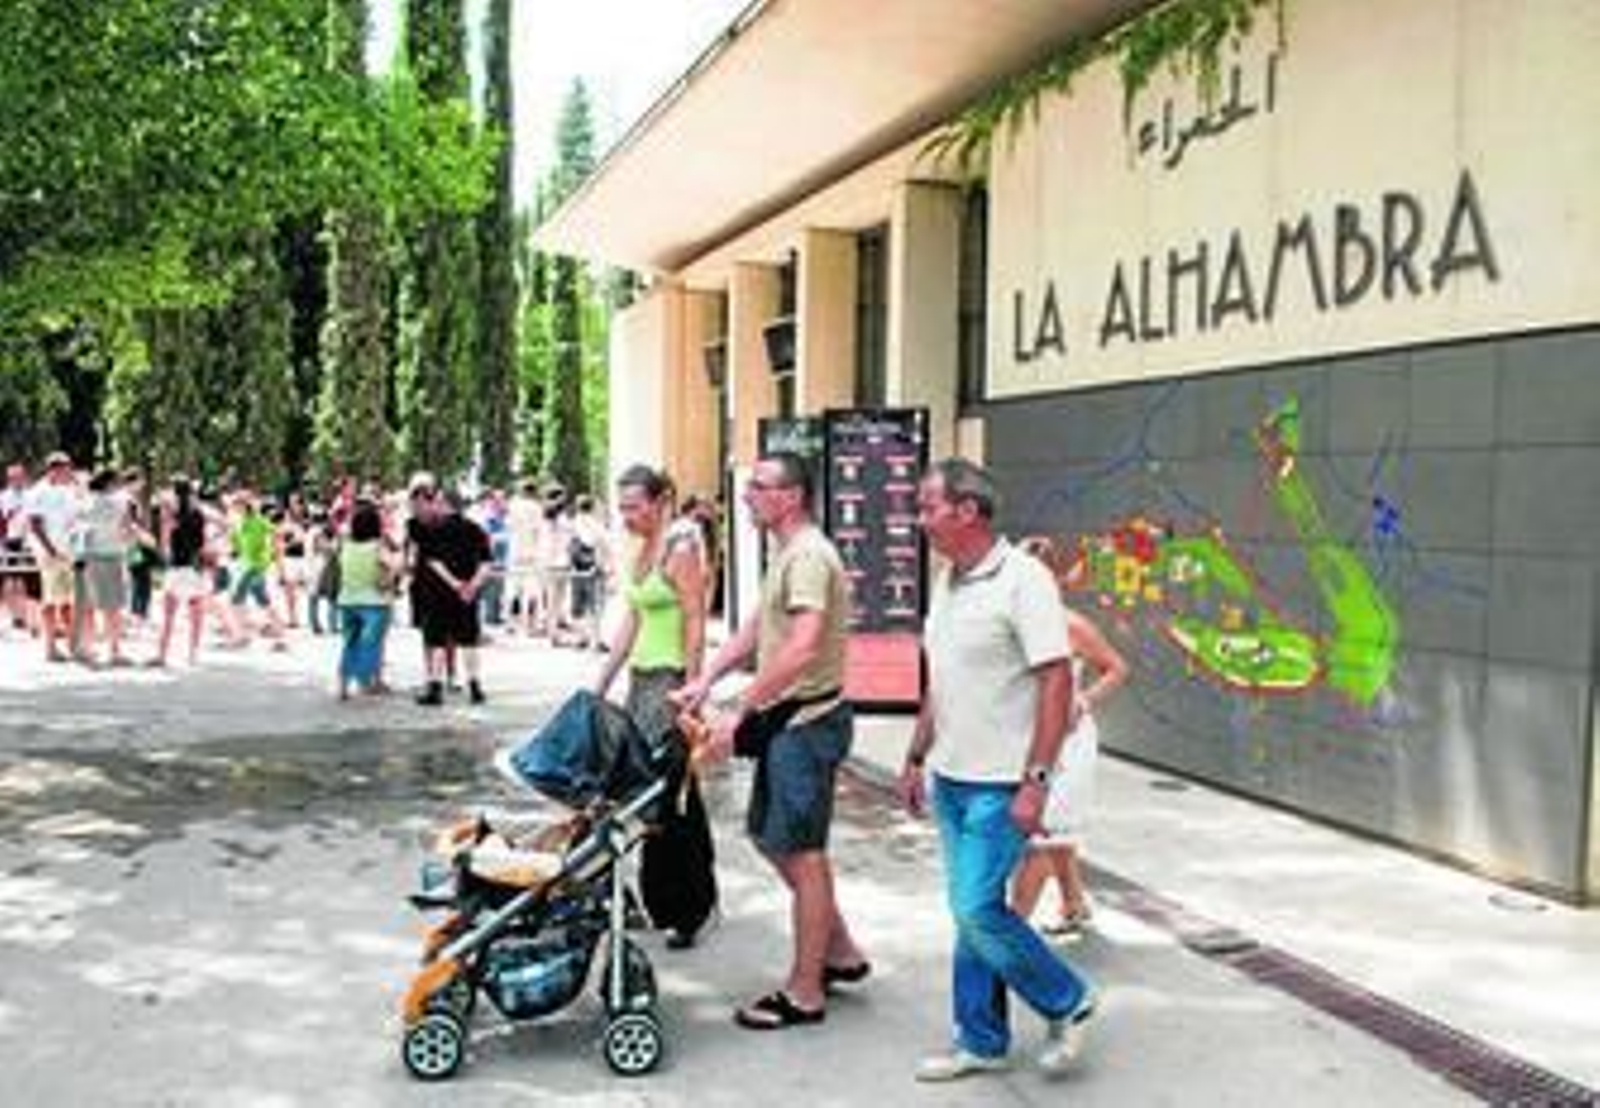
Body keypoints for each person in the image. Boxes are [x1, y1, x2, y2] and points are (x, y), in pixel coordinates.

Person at [897, 457, 1097, 1081]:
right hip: (952, 777)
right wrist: (915, 753)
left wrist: (1037, 780)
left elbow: (1057, 680)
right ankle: (981, 1040)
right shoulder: (948, 581)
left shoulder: (1024, 579)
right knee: (969, 912)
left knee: (976, 909)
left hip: (1002, 782)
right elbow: (944, 680)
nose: (919, 518)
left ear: (967, 511)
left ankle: (1070, 999)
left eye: (929, 506)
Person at [674, 451, 868, 1031]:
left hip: (808, 724)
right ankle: (840, 950)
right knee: (770, 837)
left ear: (792, 496)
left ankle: (806, 992)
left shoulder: (809, 555)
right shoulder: (788, 552)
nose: (747, 495)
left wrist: (741, 707)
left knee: (803, 855)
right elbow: (759, 627)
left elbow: (804, 646)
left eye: (758, 486)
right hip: (790, 722)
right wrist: (705, 679)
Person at [594, 464, 716, 948]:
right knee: (656, 792)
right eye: (621, 507)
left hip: (669, 683)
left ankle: (684, 908)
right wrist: (602, 679)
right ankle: (672, 898)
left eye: (634, 506)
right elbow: (634, 618)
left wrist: (692, 688)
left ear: (660, 501)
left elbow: (694, 620)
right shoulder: (642, 549)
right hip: (641, 683)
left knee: (668, 798)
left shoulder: (681, 548)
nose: (626, 516)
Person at [1011, 539, 1129, 939]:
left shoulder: (1071, 625)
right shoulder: (1011, 624)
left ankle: (1011, 936)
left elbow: (1116, 668)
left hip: (1069, 744)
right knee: (1056, 831)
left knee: (1045, 834)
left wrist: (1085, 699)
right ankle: (1074, 904)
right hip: (1028, 740)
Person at [409, 481, 492, 706]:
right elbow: (486, 563)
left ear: (444, 503)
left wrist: (455, 584)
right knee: (469, 640)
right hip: (468, 596)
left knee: (436, 640)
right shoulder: (477, 530)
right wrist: (472, 586)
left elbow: (433, 562)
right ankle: (475, 686)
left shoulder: (433, 531)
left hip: (437, 594)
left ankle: (435, 688)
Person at [334, 499, 398, 699]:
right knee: (371, 644)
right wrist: (390, 574)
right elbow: (394, 566)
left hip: (347, 602)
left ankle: (343, 687)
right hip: (375, 603)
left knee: (350, 643)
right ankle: (366, 683)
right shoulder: (377, 547)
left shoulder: (346, 546)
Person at [25, 451, 81, 663]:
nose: (69, 473)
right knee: (49, 599)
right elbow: (35, 525)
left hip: (66, 551)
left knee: (67, 600)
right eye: (66, 469)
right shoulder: (38, 492)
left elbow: (74, 519)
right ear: (54, 469)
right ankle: (49, 647)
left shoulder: (67, 491)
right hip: (49, 553)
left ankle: (71, 645)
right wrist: (50, 551)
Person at [149, 475, 210, 668]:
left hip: (176, 569)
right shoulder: (198, 514)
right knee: (196, 615)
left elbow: (164, 545)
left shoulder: (170, 516)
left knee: (168, 616)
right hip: (194, 569)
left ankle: (162, 654)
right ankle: (193, 654)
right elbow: (203, 544)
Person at [76, 467, 134, 667]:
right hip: (113, 555)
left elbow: (76, 527)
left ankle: (88, 649)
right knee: (113, 606)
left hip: (90, 556)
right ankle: (114, 651)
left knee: (89, 606)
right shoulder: (119, 502)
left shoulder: (85, 502)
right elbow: (127, 529)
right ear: (110, 483)